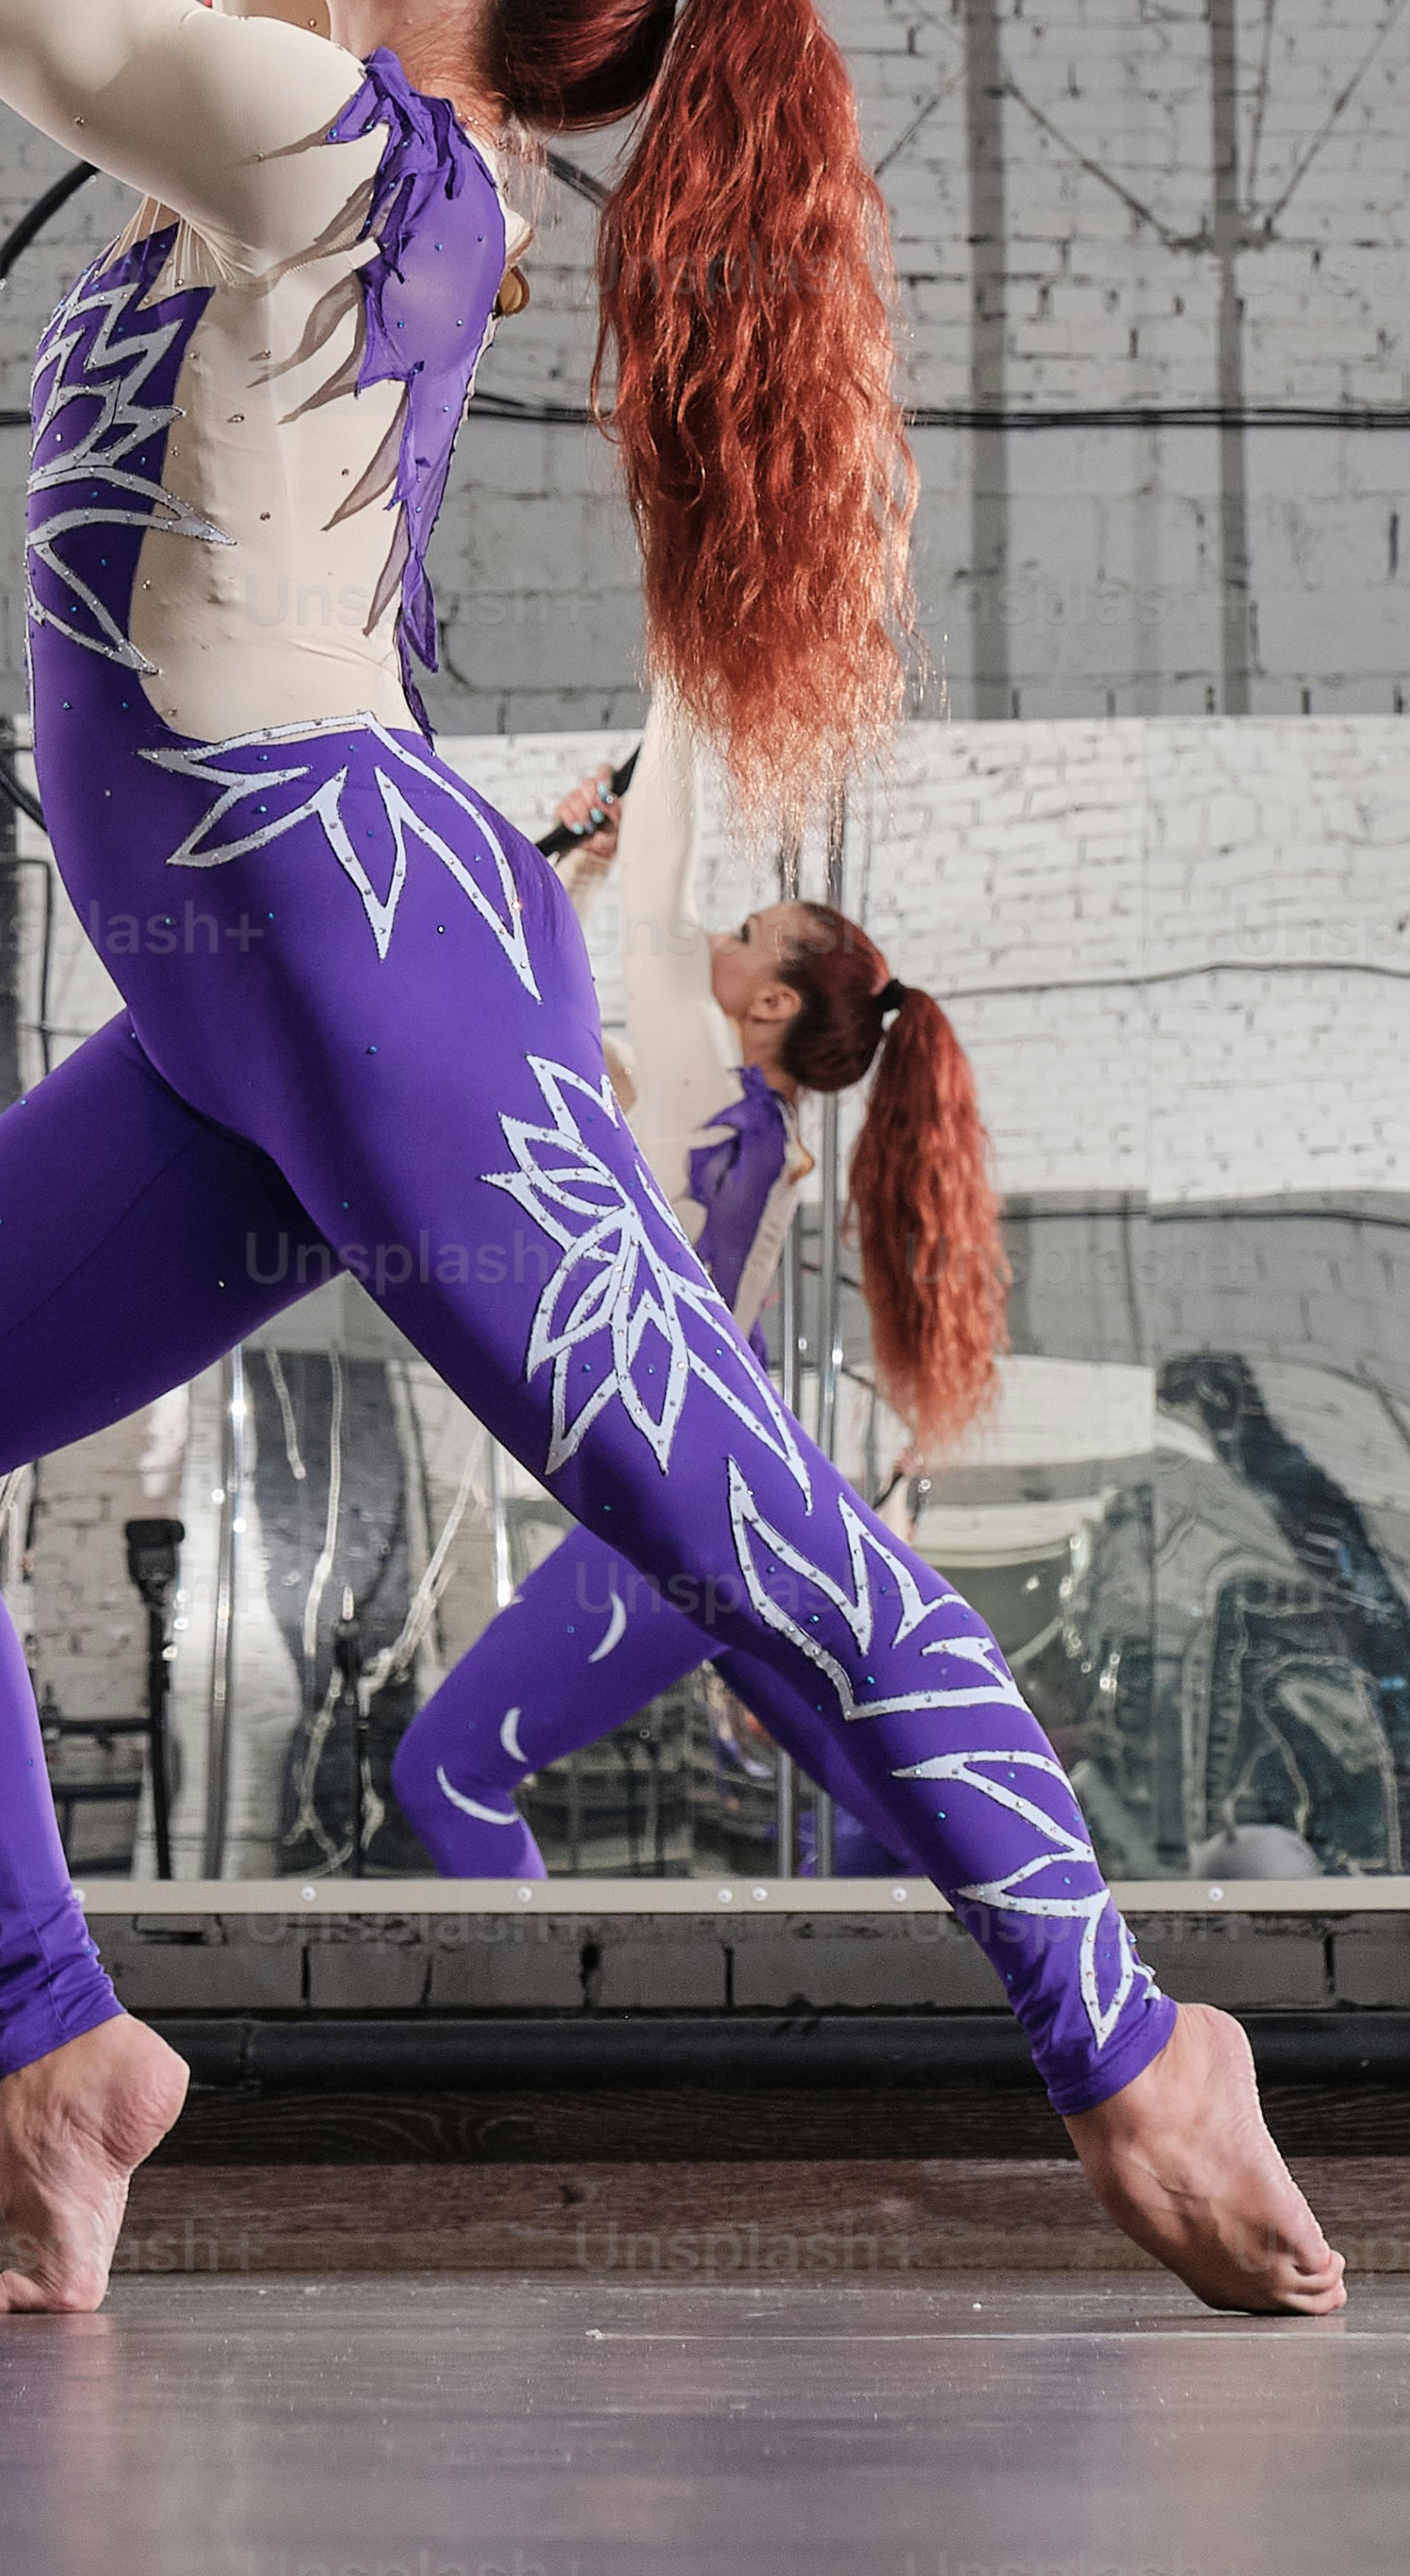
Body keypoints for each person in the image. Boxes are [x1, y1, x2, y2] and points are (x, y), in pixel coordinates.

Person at [0, 0, 1343, 2321]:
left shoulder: (335, 137)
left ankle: (1136, 2033)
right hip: (231, 993)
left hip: (354, 954)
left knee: (724, 1522)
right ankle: (60, 2037)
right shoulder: (338, 89)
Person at [388, 713, 1004, 1879]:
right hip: (726, 1505)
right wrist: (576, 864)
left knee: (445, 1776)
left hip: (673, 1517)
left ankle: (549, 2043)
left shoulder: (704, 1090)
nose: (716, 939)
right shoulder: (722, 1125)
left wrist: (681, 680)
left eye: (748, 935)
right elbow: (525, 1019)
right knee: (890, 1813)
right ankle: (942, 2013)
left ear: (769, 1003)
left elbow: (657, 917)